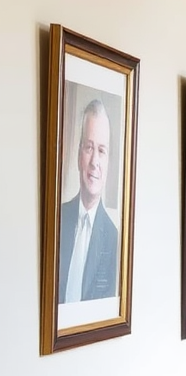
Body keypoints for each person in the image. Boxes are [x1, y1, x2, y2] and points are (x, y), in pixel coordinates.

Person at [58, 97, 119, 303]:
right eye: (89, 147)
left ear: (108, 163)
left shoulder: (114, 239)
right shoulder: (57, 218)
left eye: (101, 151)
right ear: (78, 156)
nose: (94, 162)